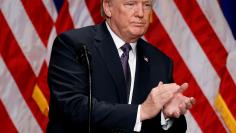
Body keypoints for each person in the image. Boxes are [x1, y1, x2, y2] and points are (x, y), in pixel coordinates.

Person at [47, 0, 195, 132]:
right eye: (131, 4)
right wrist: (140, 111)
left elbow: (175, 128)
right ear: (108, 7)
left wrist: (165, 115)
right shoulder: (74, 44)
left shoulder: (160, 62)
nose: (141, 13)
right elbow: (72, 107)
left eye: (147, 5)